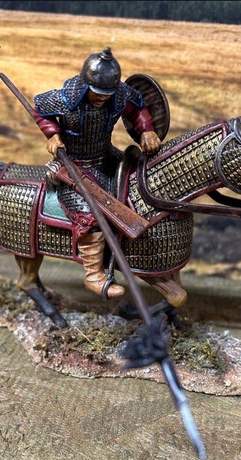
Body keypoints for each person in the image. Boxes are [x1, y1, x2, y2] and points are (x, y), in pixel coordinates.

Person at [33, 47, 161, 298]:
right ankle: (94, 275)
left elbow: (137, 107)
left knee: (137, 184)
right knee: (90, 212)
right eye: (97, 93)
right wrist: (53, 135)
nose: (102, 98)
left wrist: (146, 129)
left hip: (107, 156)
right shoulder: (65, 98)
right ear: (85, 85)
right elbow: (39, 109)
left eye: (107, 94)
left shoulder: (119, 95)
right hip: (74, 166)